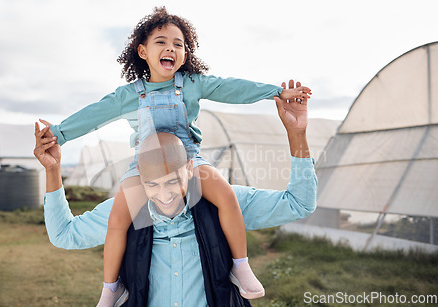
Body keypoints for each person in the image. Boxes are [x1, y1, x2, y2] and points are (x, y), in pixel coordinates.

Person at [42, 6, 312, 306]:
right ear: (142, 51)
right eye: (161, 42)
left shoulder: (192, 85)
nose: (170, 47)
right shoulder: (129, 96)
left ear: (186, 54)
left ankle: (240, 264)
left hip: (191, 158)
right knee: (118, 218)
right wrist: (59, 134)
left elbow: (231, 88)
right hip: (141, 166)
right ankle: (111, 287)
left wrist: (276, 93)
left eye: (178, 44)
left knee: (225, 193)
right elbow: (95, 114)